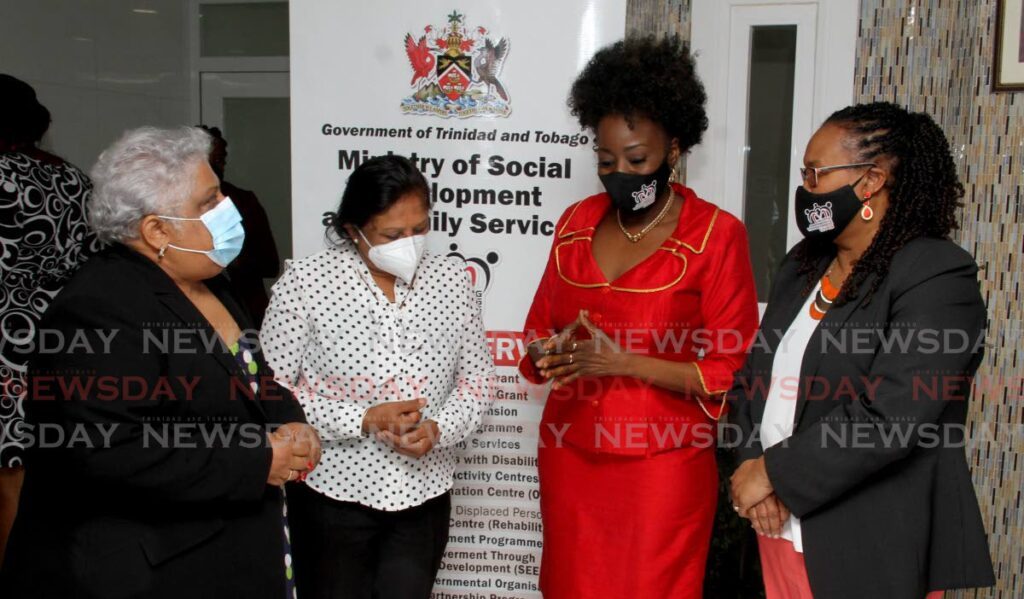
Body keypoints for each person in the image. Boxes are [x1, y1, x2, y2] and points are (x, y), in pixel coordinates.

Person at [0, 126, 320, 599]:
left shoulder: (210, 278)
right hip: (145, 570)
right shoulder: (98, 310)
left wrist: (290, 421)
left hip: (227, 548)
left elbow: (255, 379)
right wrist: (257, 461)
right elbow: (108, 450)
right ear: (156, 230)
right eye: (209, 202)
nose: (226, 211)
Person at [518, 36, 759, 598]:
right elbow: (538, 331)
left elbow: (733, 367)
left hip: (662, 466)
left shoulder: (717, 235)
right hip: (570, 455)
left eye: (636, 160)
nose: (619, 173)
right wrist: (546, 352)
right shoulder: (576, 222)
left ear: (674, 149)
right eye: (605, 161)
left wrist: (623, 361)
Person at [729, 102, 996, 599]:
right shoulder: (802, 265)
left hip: (869, 542)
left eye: (816, 173)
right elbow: (753, 380)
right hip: (777, 530)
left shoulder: (935, 274)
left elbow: (892, 417)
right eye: (803, 173)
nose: (805, 188)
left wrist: (773, 473)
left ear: (870, 182)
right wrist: (752, 466)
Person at [260, 154, 495, 599]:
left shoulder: (451, 279)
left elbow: (478, 379)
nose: (409, 243)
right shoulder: (307, 282)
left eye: (419, 229)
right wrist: (363, 418)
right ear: (354, 229)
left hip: (424, 495)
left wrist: (439, 428)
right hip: (332, 493)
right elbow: (273, 388)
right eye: (392, 234)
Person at [0, 73, 100, 564]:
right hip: (62, 334)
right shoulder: (71, 177)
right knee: (45, 465)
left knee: (8, 478)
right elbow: (93, 256)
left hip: (4, 336)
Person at [198, 125, 281, 327]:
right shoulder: (171, 206)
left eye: (221, 160)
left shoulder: (243, 201)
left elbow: (270, 264)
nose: (217, 167)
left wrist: (232, 258)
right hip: (198, 309)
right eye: (211, 159)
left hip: (246, 311)